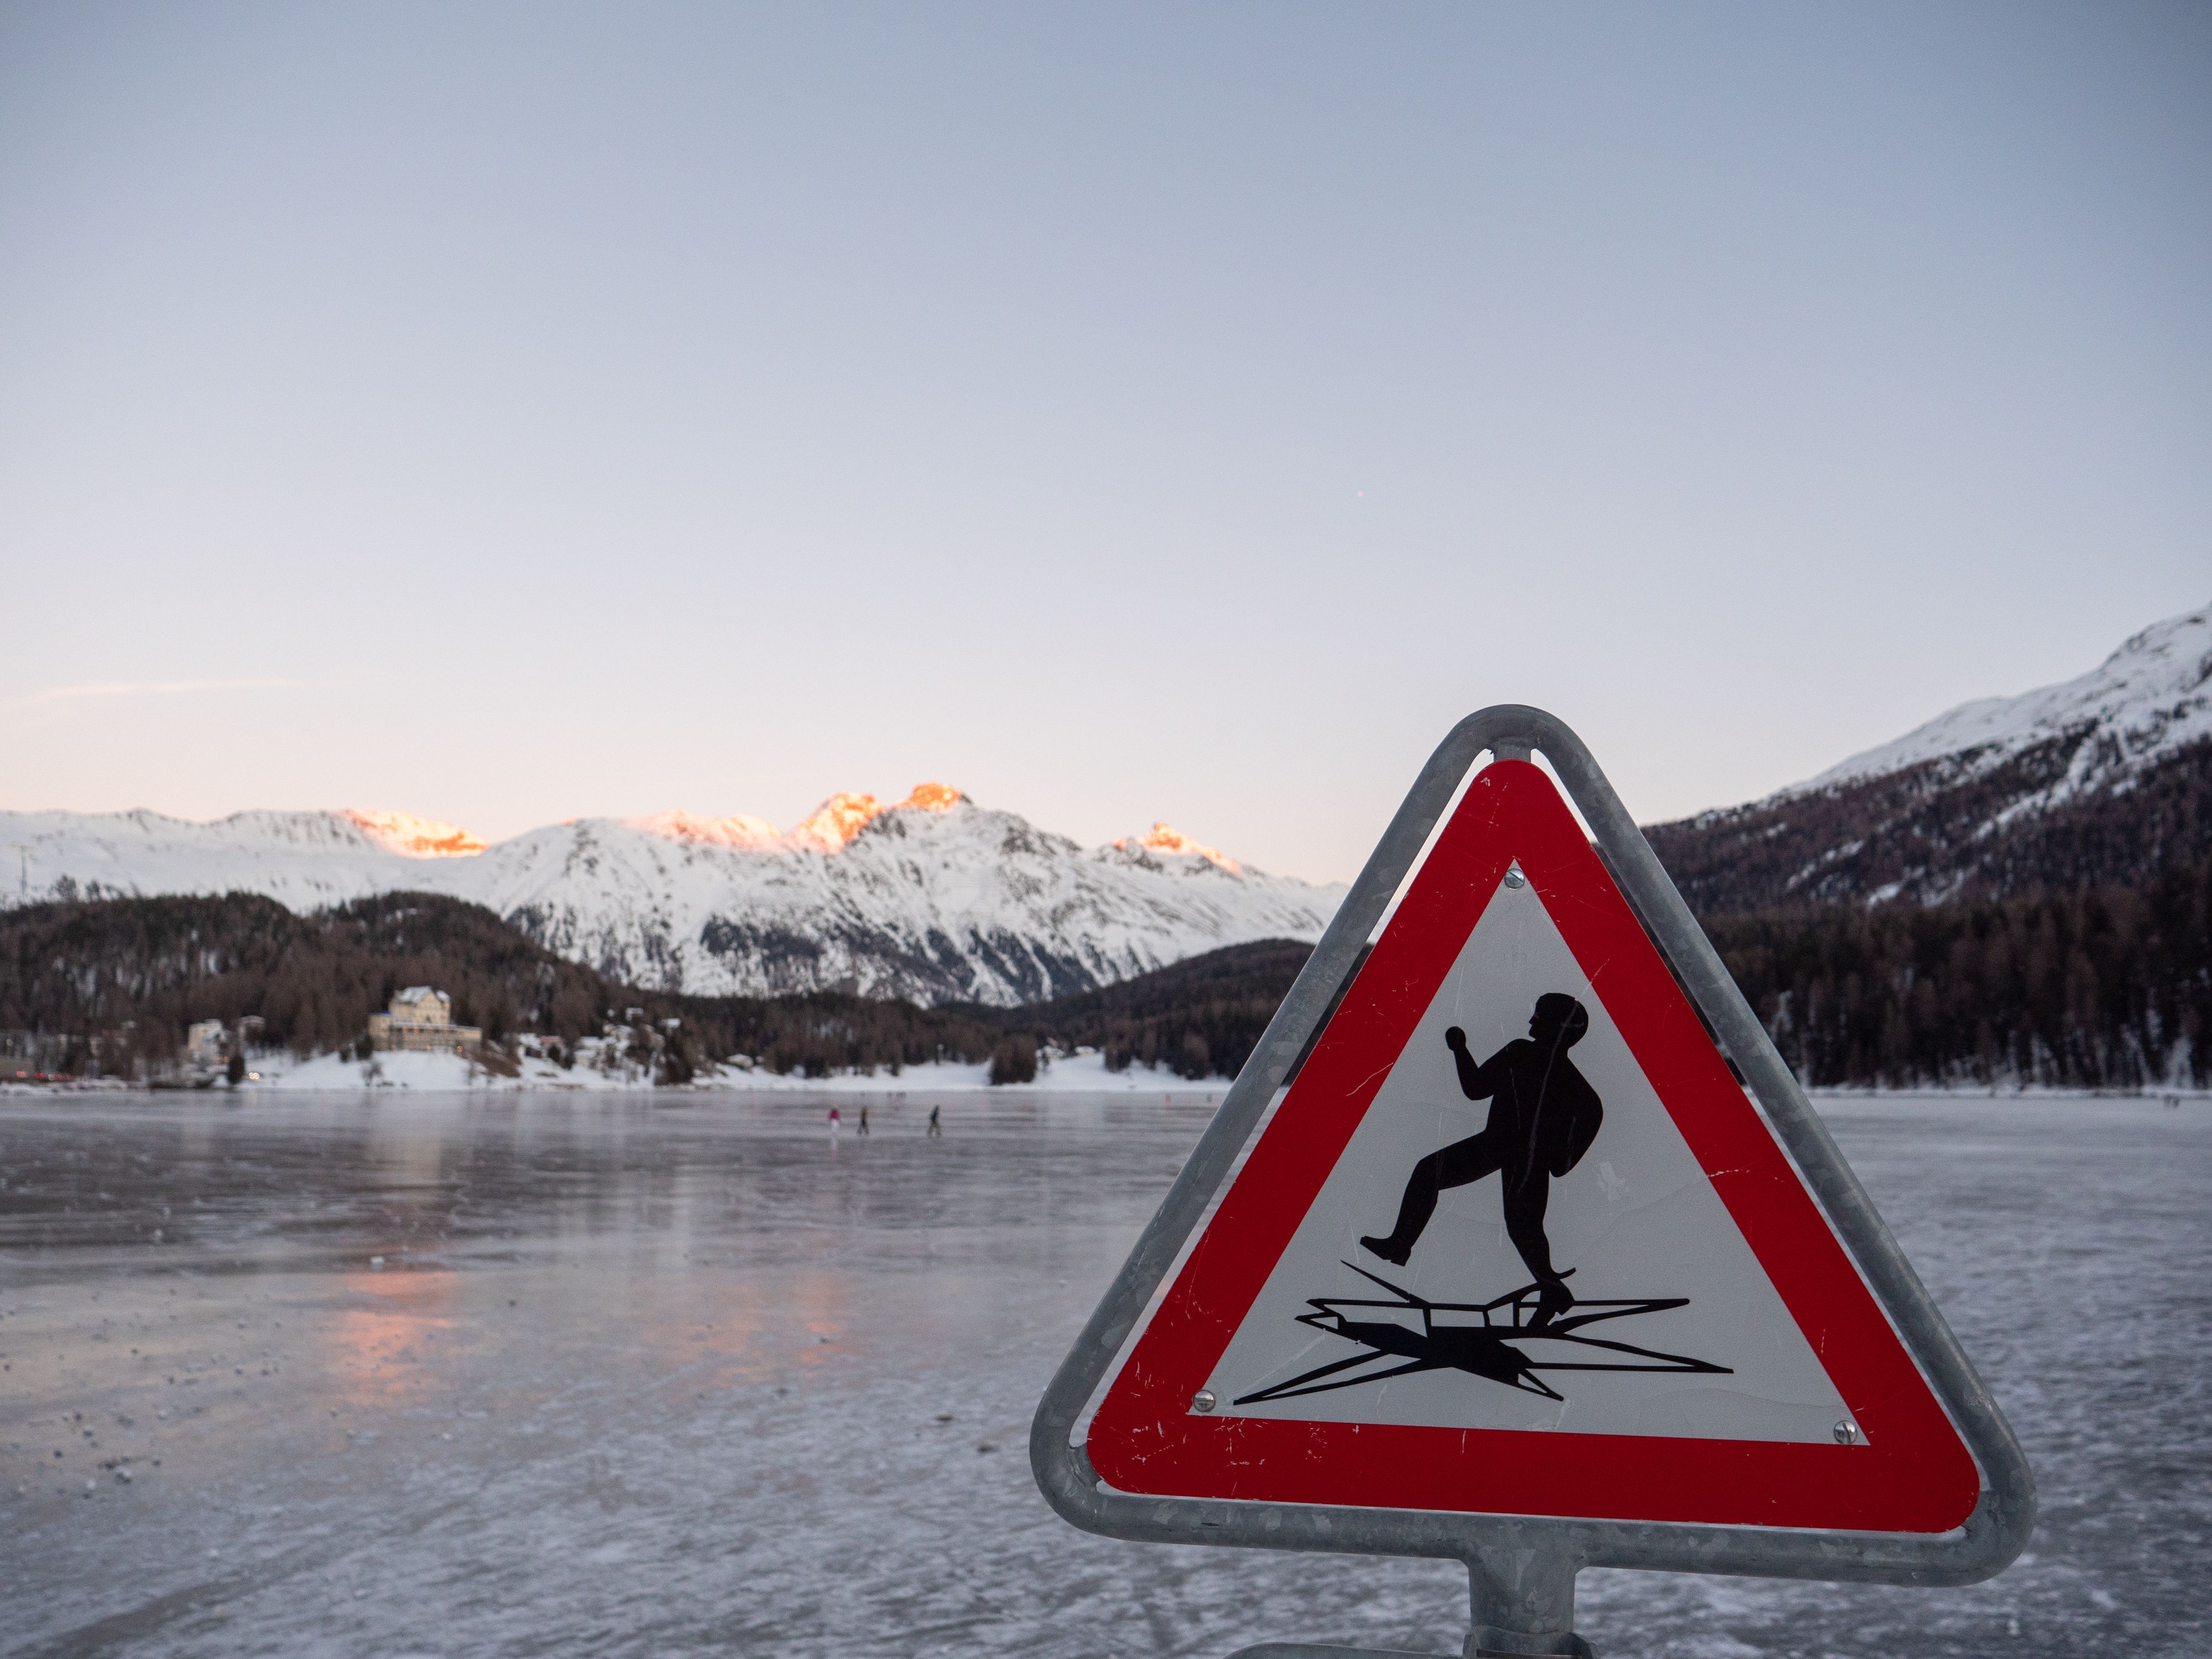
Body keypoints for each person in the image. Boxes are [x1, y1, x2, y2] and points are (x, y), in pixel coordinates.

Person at [1360, 993, 1603, 1328]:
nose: (1531, 1021)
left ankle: (1400, 1245)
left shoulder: (1521, 1053)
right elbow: (1592, 1111)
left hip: (1499, 1145)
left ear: (1556, 1027)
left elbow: (1475, 1089)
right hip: (1527, 1158)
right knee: (1524, 1227)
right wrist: (1559, 1160)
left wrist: (1459, 1049)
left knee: (1433, 1173)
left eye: (1539, 1016)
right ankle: (1552, 1290)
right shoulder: (1569, 1077)